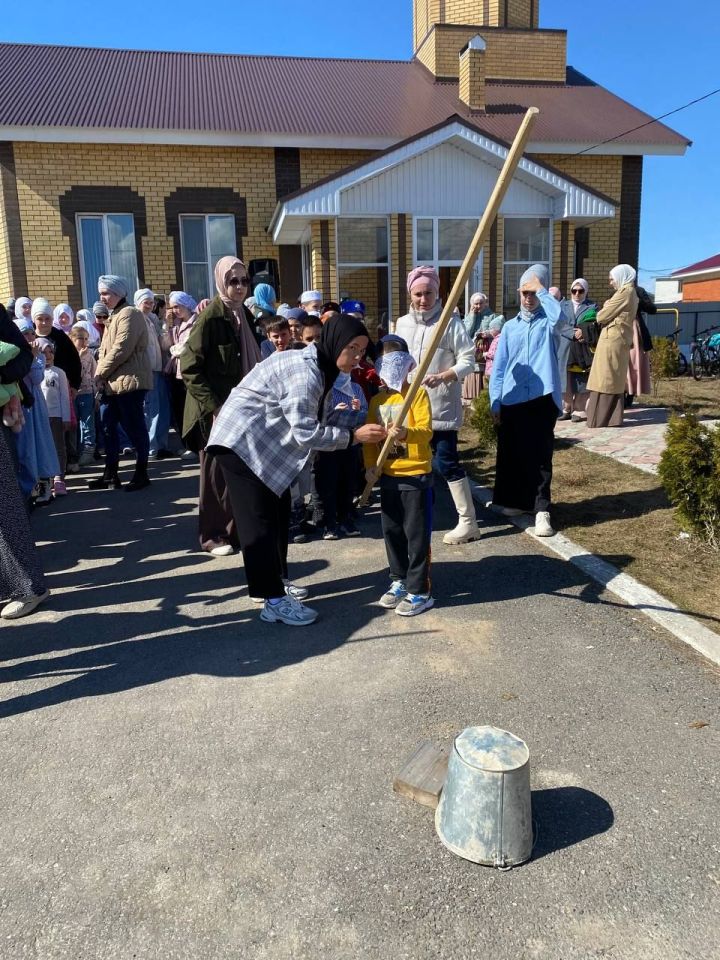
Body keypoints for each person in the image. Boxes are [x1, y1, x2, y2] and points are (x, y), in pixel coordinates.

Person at [206, 315, 386, 626]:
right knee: (259, 522)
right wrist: (354, 437)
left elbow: (322, 419)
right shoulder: (307, 373)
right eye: (352, 348)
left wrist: (360, 426)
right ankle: (271, 600)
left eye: (362, 350)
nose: (357, 357)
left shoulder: (324, 367)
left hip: (262, 443)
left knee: (277, 514)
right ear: (334, 341)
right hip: (240, 443)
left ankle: (276, 582)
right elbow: (306, 433)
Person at [181, 256, 261, 556]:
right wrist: (215, 407)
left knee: (235, 473)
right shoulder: (211, 318)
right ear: (220, 282)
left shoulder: (243, 315)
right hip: (213, 413)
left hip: (240, 408)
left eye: (244, 281)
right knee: (214, 476)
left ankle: (233, 532)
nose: (239, 287)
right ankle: (213, 535)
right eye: (233, 281)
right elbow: (190, 366)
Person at [395, 266, 479, 544]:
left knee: (446, 462)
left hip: (441, 406)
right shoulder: (402, 324)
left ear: (437, 292)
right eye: (418, 294)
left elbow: (468, 359)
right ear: (410, 294)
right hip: (411, 409)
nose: (423, 299)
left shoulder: (449, 323)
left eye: (428, 293)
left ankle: (468, 522)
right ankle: (420, 517)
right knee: (417, 464)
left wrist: (445, 376)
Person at [489, 264, 564, 538]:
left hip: (543, 397)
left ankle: (542, 509)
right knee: (513, 452)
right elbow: (500, 366)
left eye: (532, 292)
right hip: (513, 397)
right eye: (524, 292)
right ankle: (517, 503)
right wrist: (495, 400)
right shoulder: (510, 327)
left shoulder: (549, 324)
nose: (528, 297)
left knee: (541, 455)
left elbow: (562, 319)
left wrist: (543, 291)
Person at [364, 335, 434, 616]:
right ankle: (400, 580)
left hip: (416, 475)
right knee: (392, 531)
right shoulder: (377, 401)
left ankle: (420, 590)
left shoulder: (416, 394)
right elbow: (371, 439)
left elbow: (427, 431)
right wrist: (371, 467)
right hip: (388, 475)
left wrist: (406, 433)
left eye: (396, 360)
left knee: (416, 534)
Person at [90, 274, 153, 492]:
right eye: (101, 293)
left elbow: (121, 349)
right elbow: (106, 351)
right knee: (107, 427)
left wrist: (99, 373)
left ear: (119, 293)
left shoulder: (130, 314)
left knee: (134, 428)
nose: (102, 297)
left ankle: (142, 472)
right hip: (112, 384)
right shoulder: (114, 316)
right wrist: (101, 376)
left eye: (106, 293)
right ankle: (110, 475)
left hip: (129, 383)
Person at [315, 361, 368, 540]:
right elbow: (319, 419)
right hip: (328, 444)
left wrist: (358, 409)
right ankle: (330, 524)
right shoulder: (327, 390)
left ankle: (345, 520)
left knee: (348, 484)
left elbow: (364, 416)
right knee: (328, 485)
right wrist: (334, 411)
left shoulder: (356, 388)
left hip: (351, 443)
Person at [12, 318, 60, 504]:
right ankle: (28, 486)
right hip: (20, 403)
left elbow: (37, 377)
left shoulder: (37, 354)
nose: (30, 336)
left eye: (32, 332)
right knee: (25, 447)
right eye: (25, 333)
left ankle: (45, 484)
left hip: (35, 404)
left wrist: (32, 357)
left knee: (40, 443)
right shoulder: (14, 353)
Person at [586, 265, 639, 429]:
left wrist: (607, 304)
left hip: (612, 340)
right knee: (611, 378)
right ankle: (611, 419)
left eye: (612, 279)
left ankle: (599, 419)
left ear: (621, 276)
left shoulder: (625, 292)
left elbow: (602, 316)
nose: (610, 283)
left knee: (605, 378)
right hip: (618, 339)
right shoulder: (630, 292)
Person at [135, 288, 172, 460]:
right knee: (151, 410)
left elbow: (163, 344)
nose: (149, 305)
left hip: (158, 369)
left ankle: (161, 444)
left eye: (151, 302)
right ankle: (151, 447)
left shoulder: (152, 320)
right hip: (146, 370)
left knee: (162, 408)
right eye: (146, 302)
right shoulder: (136, 320)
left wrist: (165, 324)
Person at [36, 338, 72, 497]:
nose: (48, 355)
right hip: (40, 416)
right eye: (44, 352)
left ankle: (59, 478)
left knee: (58, 447)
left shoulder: (59, 372)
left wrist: (66, 417)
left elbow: (64, 396)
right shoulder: (35, 371)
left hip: (55, 416)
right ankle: (45, 479)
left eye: (51, 351)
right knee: (43, 447)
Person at [165, 290, 198, 459]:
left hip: (189, 373)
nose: (175, 310)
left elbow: (185, 348)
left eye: (178, 306)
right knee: (179, 411)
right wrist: (167, 324)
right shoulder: (176, 326)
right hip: (176, 372)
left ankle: (194, 446)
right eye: (173, 307)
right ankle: (187, 444)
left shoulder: (196, 322)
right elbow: (167, 345)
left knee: (191, 412)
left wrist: (175, 349)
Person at [560, 279, 598, 422]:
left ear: (586, 292)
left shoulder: (592, 307)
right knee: (565, 378)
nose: (577, 294)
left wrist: (583, 332)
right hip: (564, 347)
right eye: (574, 291)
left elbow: (595, 325)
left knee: (581, 378)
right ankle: (566, 407)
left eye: (580, 291)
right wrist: (572, 333)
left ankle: (579, 409)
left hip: (582, 348)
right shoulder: (562, 306)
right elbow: (558, 323)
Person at [70, 324, 97, 466]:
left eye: (86, 338)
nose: (85, 342)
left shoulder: (90, 355)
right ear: (72, 339)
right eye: (81, 338)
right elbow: (73, 374)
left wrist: (96, 392)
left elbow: (94, 374)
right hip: (73, 393)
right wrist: (78, 358)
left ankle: (88, 451)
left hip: (87, 393)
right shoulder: (71, 356)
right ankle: (77, 451)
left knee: (87, 422)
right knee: (74, 424)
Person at [625, 286, 655, 407]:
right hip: (618, 329)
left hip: (634, 330)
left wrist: (638, 300)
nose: (611, 282)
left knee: (633, 362)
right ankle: (621, 393)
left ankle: (630, 394)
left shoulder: (638, 291)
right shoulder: (616, 291)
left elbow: (652, 309)